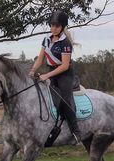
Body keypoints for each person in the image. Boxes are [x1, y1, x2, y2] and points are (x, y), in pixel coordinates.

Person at [29, 10, 81, 143]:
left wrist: (46, 75)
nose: (53, 28)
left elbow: (64, 66)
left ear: (62, 27)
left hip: (65, 74)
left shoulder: (65, 43)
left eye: (57, 26)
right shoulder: (46, 39)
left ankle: (76, 132)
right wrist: (33, 70)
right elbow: (40, 58)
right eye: (52, 25)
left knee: (64, 101)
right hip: (51, 71)